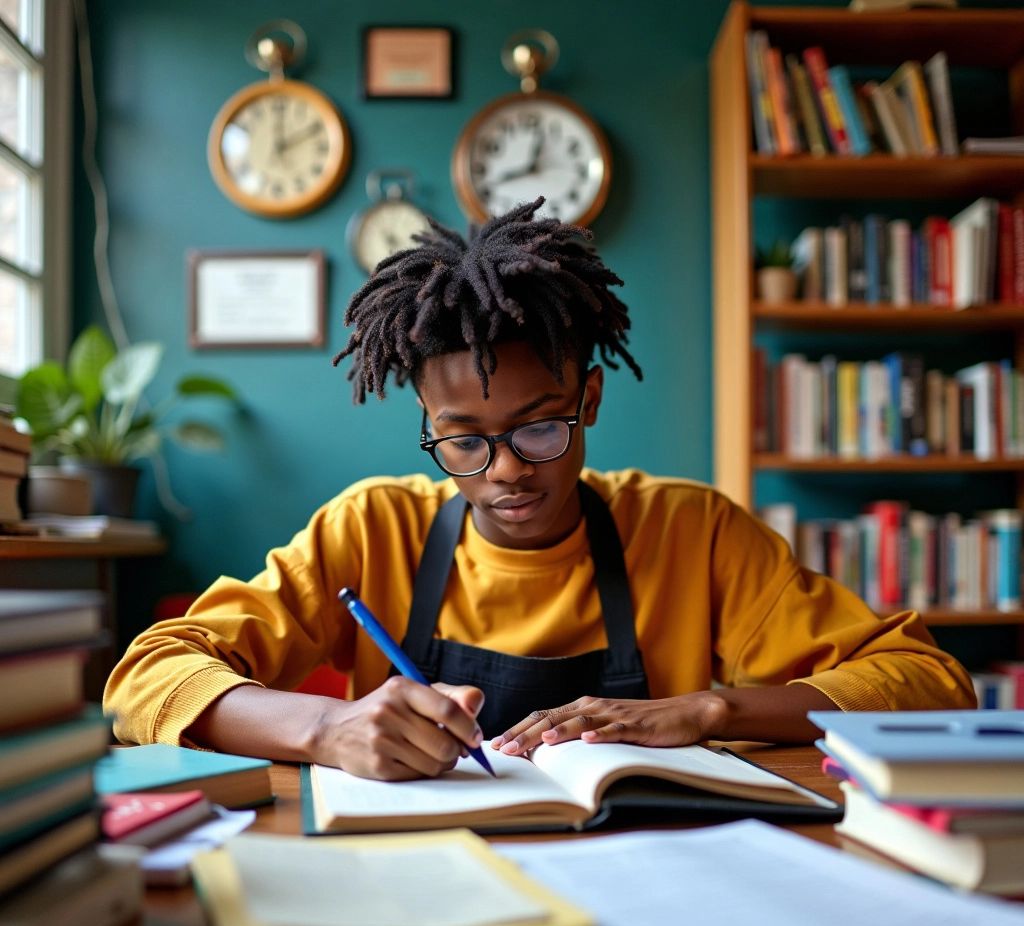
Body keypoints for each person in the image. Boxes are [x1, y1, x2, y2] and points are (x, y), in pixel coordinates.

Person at [104, 198, 974, 780]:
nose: (509, 469)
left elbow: (929, 682)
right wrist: (325, 730)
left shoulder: (690, 530)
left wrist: (710, 709)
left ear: (589, 399)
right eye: (464, 442)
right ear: (427, 423)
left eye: (540, 428)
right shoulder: (372, 529)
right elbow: (145, 676)